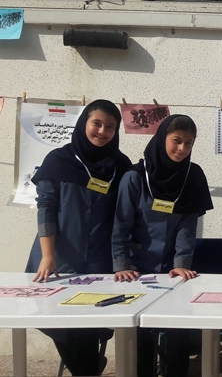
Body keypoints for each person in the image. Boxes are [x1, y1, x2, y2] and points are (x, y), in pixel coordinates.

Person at [25, 100, 131, 376]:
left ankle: (88, 368)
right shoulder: (59, 160)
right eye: (97, 123)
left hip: (100, 261)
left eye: (110, 126)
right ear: (84, 122)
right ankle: (89, 368)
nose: (102, 131)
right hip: (59, 259)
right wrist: (48, 255)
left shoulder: (120, 166)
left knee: (89, 325)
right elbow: (46, 208)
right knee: (62, 325)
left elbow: (127, 214)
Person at [112, 114, 213, 377]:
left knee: (177, 333)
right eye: (176, 140)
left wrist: (181, 264)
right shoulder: (135, 176)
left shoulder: (192, 175)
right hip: (137, 269)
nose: (182, 148)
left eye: (189, 143)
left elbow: (187, 227)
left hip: (172, 270)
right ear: (162, 139)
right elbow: (121, 224)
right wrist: (121, 264)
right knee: (141, 335)